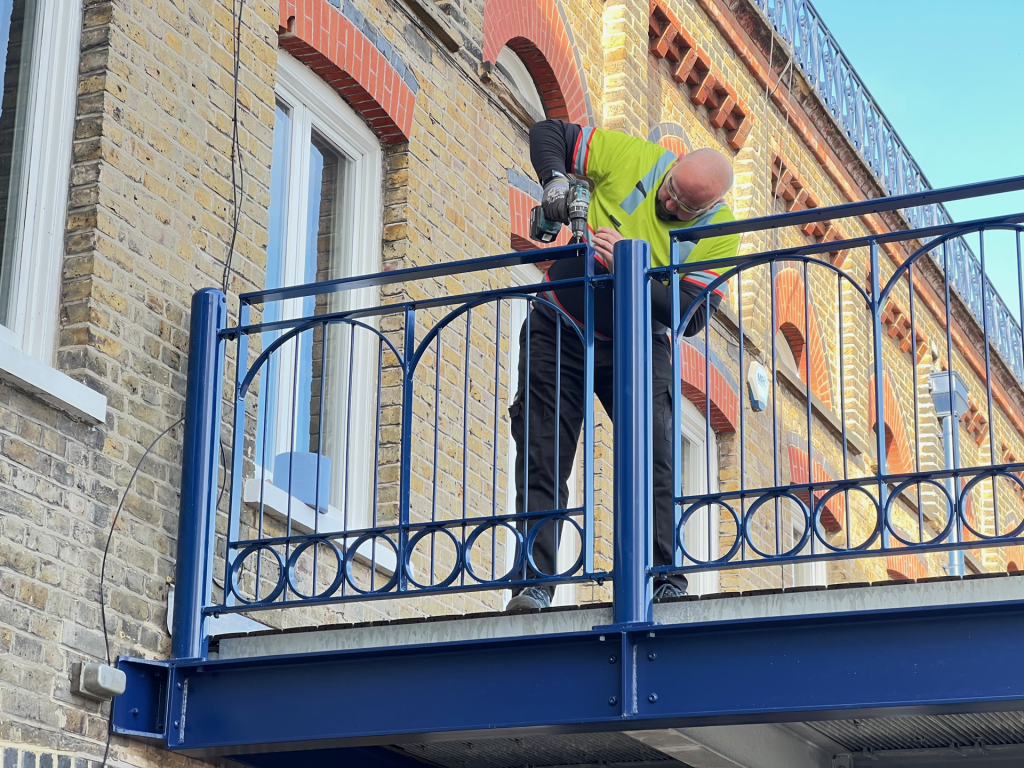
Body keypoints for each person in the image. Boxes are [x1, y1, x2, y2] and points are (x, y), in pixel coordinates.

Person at [505, 119, 741, 613]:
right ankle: (533, 585)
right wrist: (554, 180)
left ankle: (663, 579)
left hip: (638, 341)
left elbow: (691, 315)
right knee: (542, 450)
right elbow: (549, 133)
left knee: (655, 454)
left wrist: (629, 268)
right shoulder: (634, 156)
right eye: (671, 189)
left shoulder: (720, 233)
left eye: (685, 206)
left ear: (709, 207)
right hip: (559, 323)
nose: (669, 203)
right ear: (673, 165)